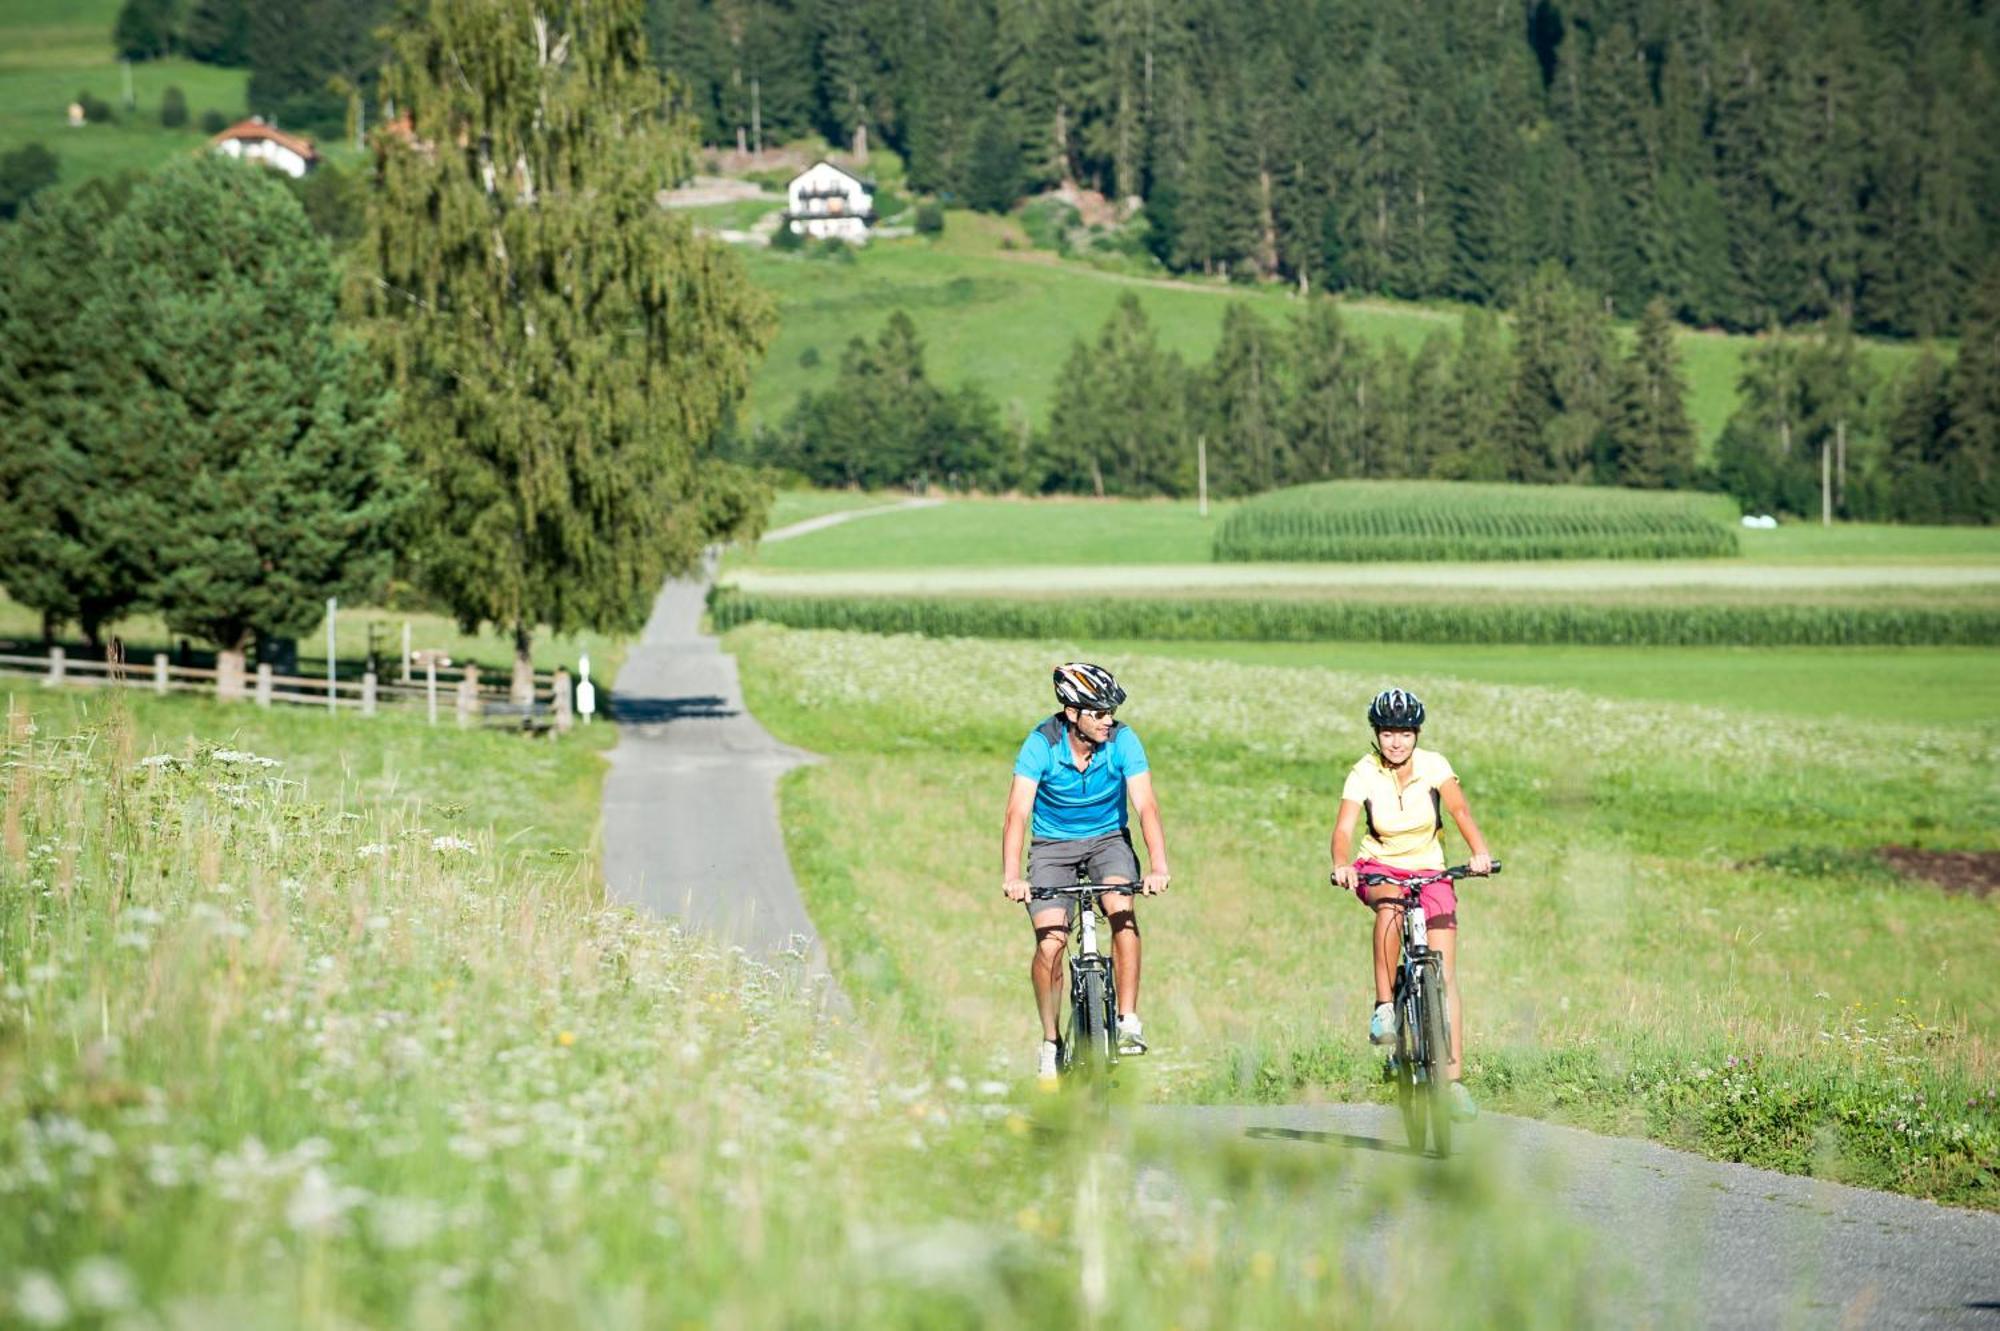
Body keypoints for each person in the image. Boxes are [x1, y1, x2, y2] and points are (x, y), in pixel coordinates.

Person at [1003, 662, 1171, 1083]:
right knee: (1051, 945)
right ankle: (1050, 1041)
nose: (1107, 720)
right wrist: (1012, 875)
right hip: (1052, 848)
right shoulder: (1041, 743)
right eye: (1098, 712)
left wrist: (1158, 866)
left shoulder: (1123, 740)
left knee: (1121, 911)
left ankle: (1128, 1019)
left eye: (1109, 711)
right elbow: (1017, 813)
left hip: (1108, 840)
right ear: (1072, 713)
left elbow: (1146, 805)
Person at [1329, 687, 1493, 1119]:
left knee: (1445, 974)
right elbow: (1344, 828)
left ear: (1416, 733)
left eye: (1404, 732)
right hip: (1379, 868)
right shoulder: (1363, 772)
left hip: (1431, 870)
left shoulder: (1435, 766)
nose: (1396, 741)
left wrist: (1479, 853)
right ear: (1377, 734)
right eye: (1387, 732)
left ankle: (1453, 1081)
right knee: (1390, 908)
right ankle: (1385, 1007)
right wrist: (1341, 863)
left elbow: (1459, 811)